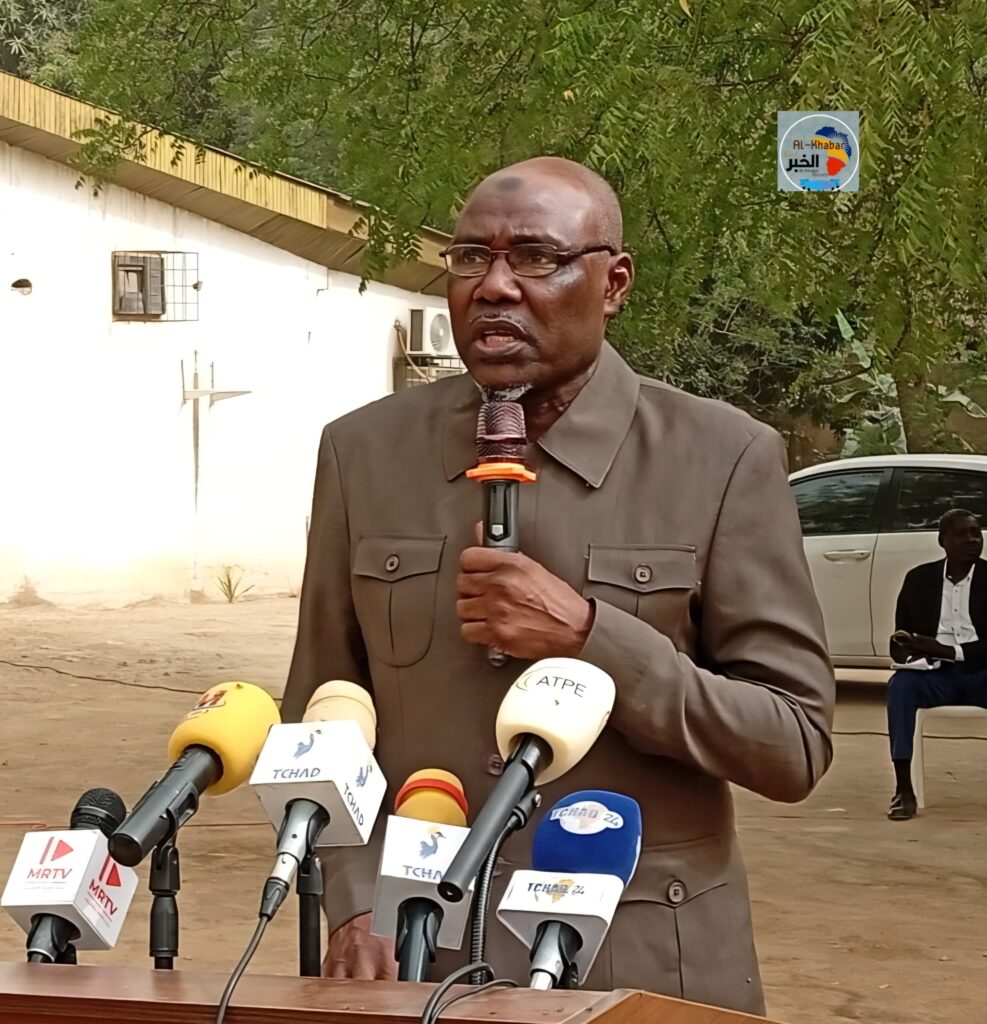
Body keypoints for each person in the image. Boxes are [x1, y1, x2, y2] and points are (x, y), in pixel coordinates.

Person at [282, 156, 834, 1015]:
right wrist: (354, 902)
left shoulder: (722, 458)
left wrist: (589, 636)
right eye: (471, 257)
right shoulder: (363, 453)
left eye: (536, 257)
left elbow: (790, 745)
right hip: (416, 954)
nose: (494, 286)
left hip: (641, 963)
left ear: (613, 283)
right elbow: (320, 712)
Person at [886, 508, 987, 821]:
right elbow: (900, 637)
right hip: (934, 676)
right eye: (962, 534)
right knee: (900, 687)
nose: (972, 540)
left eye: (976, 533)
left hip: (981, 674)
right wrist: (908, 650)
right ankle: (904, 790)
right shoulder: (919, 580)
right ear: (943, 540)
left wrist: (948, 650)